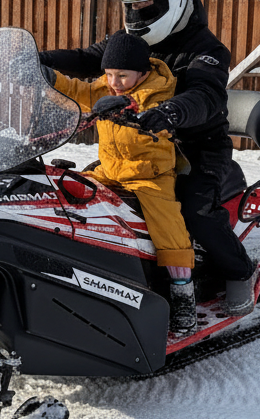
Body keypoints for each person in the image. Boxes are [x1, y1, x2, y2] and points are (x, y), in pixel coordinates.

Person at [40, 0, 259, 317]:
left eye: (147, 9)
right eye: (131, 10)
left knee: (195, 213)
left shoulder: (206, 49)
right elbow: (87, 60)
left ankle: (239, 272)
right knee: (90, 196)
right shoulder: (130, 43)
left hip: (196, 147)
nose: (138, 17)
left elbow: (207, 96)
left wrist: (169, 112)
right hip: (137, 146)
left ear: (172, 1)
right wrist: (38, 60)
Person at [49, 31, 198, 333]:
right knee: (66, 193)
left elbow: (160, 115)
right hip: (110, 170)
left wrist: (143, 116)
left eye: (122, 75)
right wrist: (50, 77)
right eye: (109, 74)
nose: (114, 82)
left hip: (149, 176)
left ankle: (183, 292)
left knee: (168, 229)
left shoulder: (158, 93)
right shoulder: (105, 87)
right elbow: (79, 89)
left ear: (142, 73)